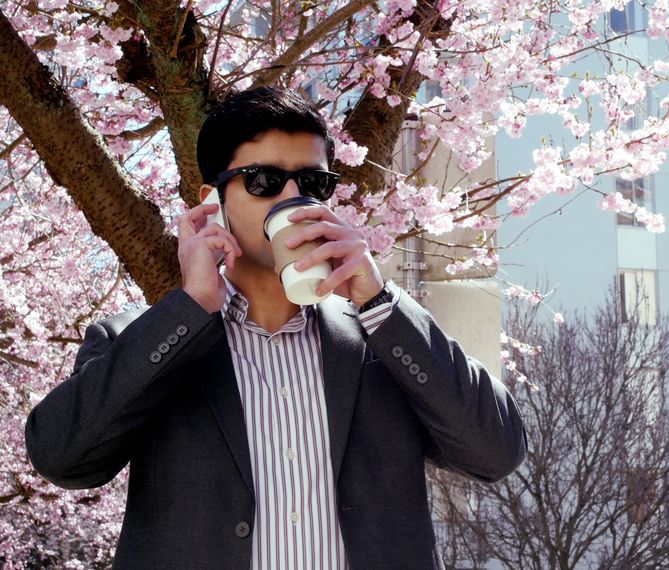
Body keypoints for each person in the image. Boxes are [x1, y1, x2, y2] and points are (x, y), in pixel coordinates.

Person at [25, 86, 527, 569]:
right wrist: (191, 306)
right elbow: (61, 456)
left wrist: (379, 301)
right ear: (213, 200)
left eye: (312, 184)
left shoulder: (385, 338)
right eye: (264, 180)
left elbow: (496, 451)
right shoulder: (146, 341)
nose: (292, 198)